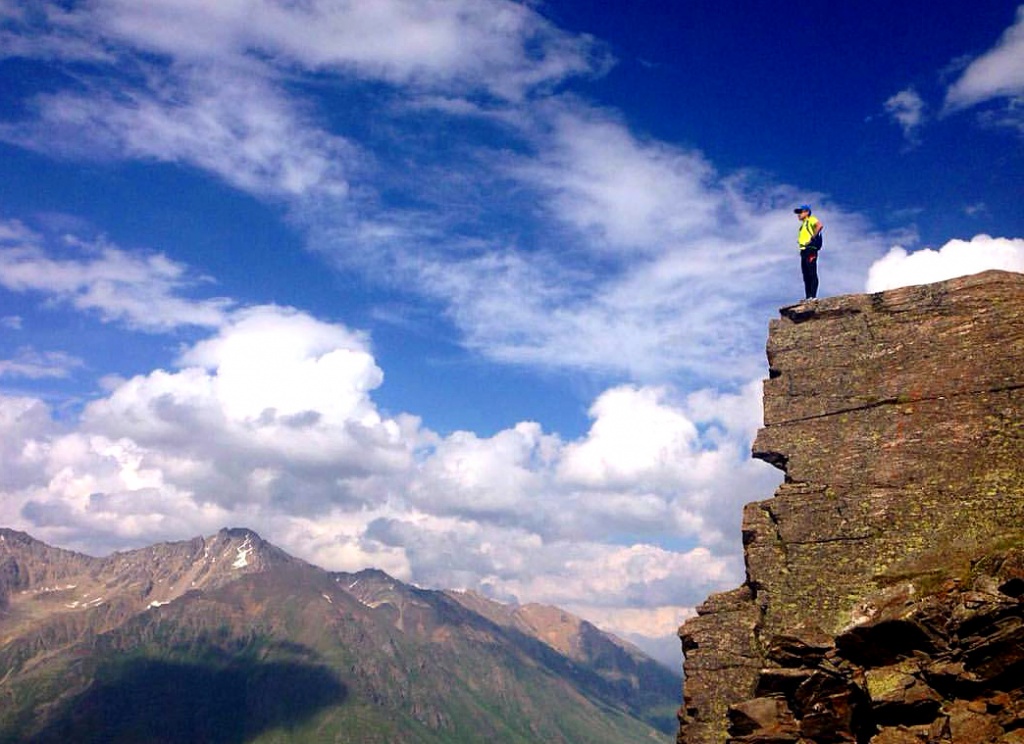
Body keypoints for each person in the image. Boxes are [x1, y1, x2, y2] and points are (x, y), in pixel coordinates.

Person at [794, 204, 823, 299]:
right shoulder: (803, 225)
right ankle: (808, 297)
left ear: (807, 212)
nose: (798, 214)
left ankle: (813, 297)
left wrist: (813, 237)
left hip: (810, 249)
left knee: (811, 272)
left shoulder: (811, 219)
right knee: (805, 274)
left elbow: (819, 225)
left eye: (800, 212)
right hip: (804, 251)